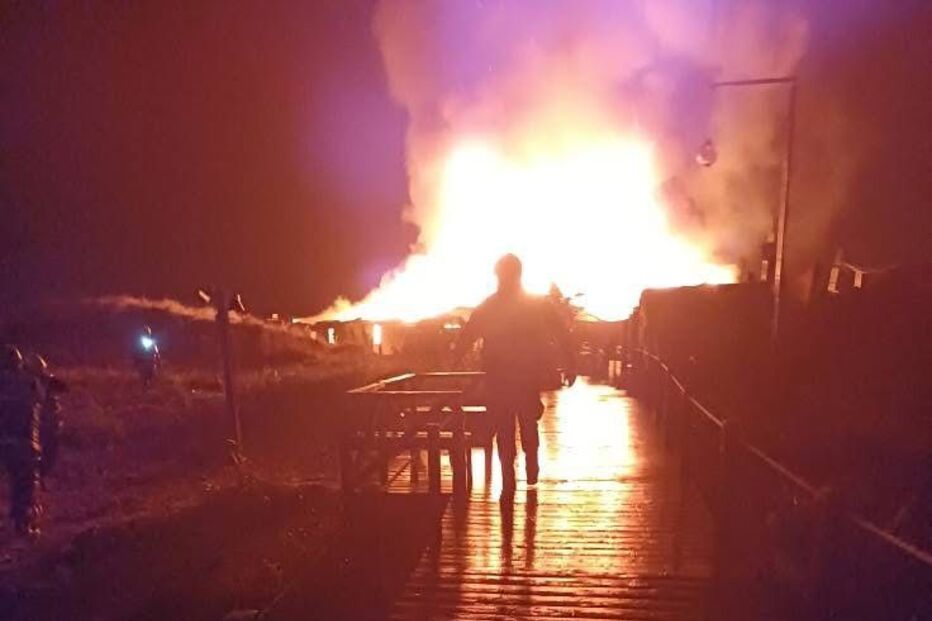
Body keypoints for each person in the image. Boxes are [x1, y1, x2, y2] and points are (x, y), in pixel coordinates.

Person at [454, 254, 576, 493]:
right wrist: (570, 363)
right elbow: (561, 333)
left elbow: (468, 335)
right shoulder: (535, 304)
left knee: (506, 428)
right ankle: (527, 467)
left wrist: (455, 359)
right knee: (524, 423)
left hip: (502, 377)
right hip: (523, 376)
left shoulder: (490, 305)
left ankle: (510, 476)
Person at [0, 345, 43, 537]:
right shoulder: (28, 383)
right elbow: (39, 400)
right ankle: (22, 525)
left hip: (5, 442)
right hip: (24, 443)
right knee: (24, 485)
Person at [26, 353, 67, 481]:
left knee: (50, 454)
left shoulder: (47, 381)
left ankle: (40, 478)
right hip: (38, 424)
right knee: (39, 455)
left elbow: (63, 387)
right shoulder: (27, 383)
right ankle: (37, 478)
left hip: (49, 423)